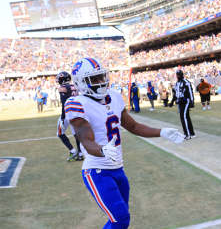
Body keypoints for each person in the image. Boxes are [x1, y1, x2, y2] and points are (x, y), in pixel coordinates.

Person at [67, 57, 184, 229]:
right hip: (97, 171)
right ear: (81, 83)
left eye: (102, 76)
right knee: (120, 219)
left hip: (119, 169)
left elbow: (133, 126)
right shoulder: (77, 104)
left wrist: (161, 132)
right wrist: (103, 151)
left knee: (121, 219)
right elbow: (87, 141)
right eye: (94, 78)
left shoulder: (114, 95)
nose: (101, 81)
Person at [56, 71, 83, 161]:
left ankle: (73, 151)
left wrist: (63, 118)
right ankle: (80, 154)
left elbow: (64, 104)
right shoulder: (74, 86)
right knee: (76, 134)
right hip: (76, 112)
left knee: (60, 133)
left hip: (68, 113)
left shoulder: (62, 88)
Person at [169, 70, 196, 140]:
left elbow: (190, 92)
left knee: (183, 117)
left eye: (179, 75)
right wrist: (172, 102)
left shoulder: (186, 82)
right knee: (186, 117)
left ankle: (187, 134)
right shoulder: (177, 83)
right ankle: (192, 133)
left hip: (185, 101)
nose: (178, 76)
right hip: (180, 101)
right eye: (177, 75)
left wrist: (192, 102)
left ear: (182, 75)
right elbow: (175, 94)